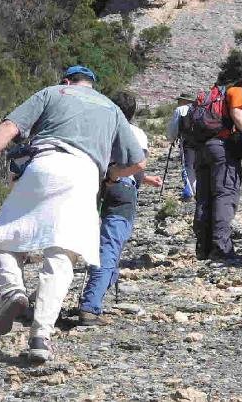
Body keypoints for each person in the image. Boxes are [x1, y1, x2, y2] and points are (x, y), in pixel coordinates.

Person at [0, 66, 146, 363]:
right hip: (85, 175)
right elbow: (138, 163)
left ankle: (12, 292)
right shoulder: (111, 108)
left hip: (43, 164)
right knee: (61, 258)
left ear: (66, 81)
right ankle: (40, 337)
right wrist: (111, 177)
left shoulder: (51, 93)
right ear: (92, 86)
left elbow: (10, 127)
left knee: (4, 239)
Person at [79, 92, 162, 326]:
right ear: (132, 112)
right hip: (122, 190)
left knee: (83, 243)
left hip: (93, 187)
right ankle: (90, 305)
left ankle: (49, 298)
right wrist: (143, 180)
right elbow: (136, 167)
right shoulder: (137, 134)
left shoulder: (96, 128)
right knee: (110, 247)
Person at [193, 77, 242, 261]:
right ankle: (221, 248)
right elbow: (237, 114)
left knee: (204, 198)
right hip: (220, 149)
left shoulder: (214, 96)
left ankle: (203, 247)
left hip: (201, 151)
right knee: (225, 195)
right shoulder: (238, 91)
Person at [167, 93, 198, 199]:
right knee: (198, 165)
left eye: (179, 100)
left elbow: (173, 128)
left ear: (184, 100)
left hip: (187, 142)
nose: (178, 102)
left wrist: (171, 139)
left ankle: (191, 191)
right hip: (202, 141)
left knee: (188, 167)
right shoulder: (199, 107)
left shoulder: (180, 110)